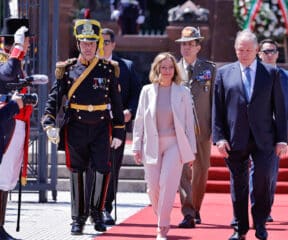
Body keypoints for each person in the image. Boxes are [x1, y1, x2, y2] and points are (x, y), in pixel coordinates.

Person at [41, 19, 125, 235]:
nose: (88, 47)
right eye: (83, 43)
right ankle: (78, 218)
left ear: (98, 45)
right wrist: (49, 121)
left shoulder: (108, 69)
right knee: (77, 171)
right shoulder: (67, 69)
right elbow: (54, 97)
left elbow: (116, 102)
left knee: (102, 169)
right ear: (78, 44)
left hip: (100, 126)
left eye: (91, 43)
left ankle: (97, 213)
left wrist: (118, 129)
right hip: (76, 126)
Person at [212, 30, 288, 240]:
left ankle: (261, 223)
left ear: (257, 50)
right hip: (234, 138)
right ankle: (240, 227)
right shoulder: (224, 73)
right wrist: (219, 137)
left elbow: (279, 109)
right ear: (235, 49)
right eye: (240, 49)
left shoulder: (271, 73)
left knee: (263, 180)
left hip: (264, 138)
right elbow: (217, 109)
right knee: (238, 184)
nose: (244, 53)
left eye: (248, 50)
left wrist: (282, 139)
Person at [132, 52, 196, 240]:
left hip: (174, 145)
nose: (167, 71)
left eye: (170, 67)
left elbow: (189, 123)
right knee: (153, 188)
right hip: (151, 144)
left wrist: (191, 152)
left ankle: (162, 227)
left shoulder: (183, 92)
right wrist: (136, 146)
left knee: (168, 184)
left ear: (175, 70)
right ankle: (161, 215)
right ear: (157, 69)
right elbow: (140, 119)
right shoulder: (147, 91)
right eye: (163, 67)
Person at [93, 27, 142, 225]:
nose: (102, 45)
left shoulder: (126, 66)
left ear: (114, 44)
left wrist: (130, 110)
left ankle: (106, 207)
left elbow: (137, 93)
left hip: (116, 127)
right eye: (99, 41)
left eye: (106, 41)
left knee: (112, 166)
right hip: (93, 125)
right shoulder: (89, 65)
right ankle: (90, 207)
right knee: (92, 167)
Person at [175, 26, 216, 228]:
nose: (187, 48)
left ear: (198, 47)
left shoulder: (210, 69)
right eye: (183, 44)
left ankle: (196, 207)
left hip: (203, 129)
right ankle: (188, 212)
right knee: (183, 172)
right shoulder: (171, 68)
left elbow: (216, 101)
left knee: (202, 171)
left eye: (191, 44)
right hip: (179, 130)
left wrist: (216, 130)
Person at [258, 38, 288, 222]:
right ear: (259, 54)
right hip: (255, 129)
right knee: (254, 170)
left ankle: (265, 208)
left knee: (271, 172)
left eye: (273, 51)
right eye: (266, 51)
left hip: (277, 131)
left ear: (277, 53)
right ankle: (256, 207)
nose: (269, 54)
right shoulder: (251, 75)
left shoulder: (287, 77)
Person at [0, 18, 32, 240]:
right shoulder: (7, 59)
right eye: (26, 41)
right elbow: (7, 75)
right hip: (4, 123)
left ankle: (0, 226)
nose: (29, 45)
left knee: (6, 180)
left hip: (15, 124)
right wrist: (18, 50)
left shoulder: (17, 61)